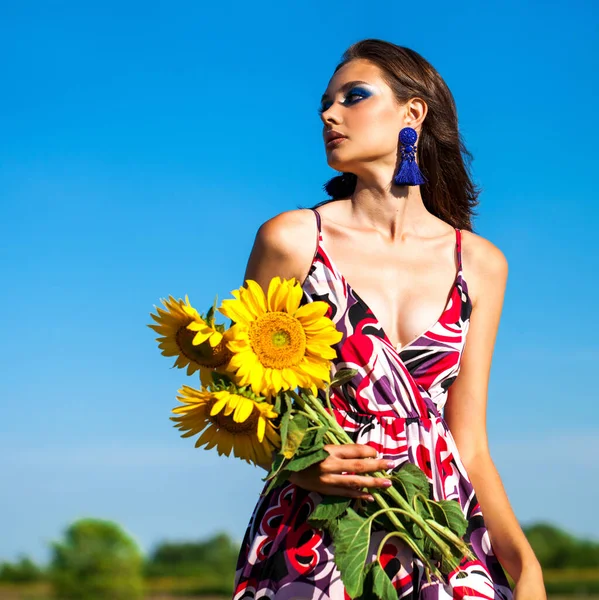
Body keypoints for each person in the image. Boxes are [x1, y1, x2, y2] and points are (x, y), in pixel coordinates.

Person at [232, 39, 545, 600]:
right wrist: (299, 463)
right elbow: (236, 393)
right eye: (325, 104)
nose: (329, 114)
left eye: (353, 97)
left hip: (444, 535)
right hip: (320, 535)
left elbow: (467, 439)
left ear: (413, 112)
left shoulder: (480, 263)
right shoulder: (293, 240)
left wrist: (525, 564)